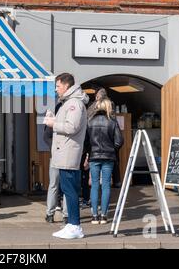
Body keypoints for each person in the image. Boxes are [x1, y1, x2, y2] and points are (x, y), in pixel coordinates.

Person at [44, 73, 88, 239]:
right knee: (68, 189)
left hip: (68, 153)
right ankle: (72, 225)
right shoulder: (69, 102)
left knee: (70, 190)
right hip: (65, 152)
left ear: (67, 86)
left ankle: (75, 226)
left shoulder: (74, 104)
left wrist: (53, 123)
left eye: (58, 86)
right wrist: (55, 119)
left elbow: (72, 127)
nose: (56, 89)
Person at [87, 98, 123, 225]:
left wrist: (88, 152)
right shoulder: (113, 121)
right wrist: (112, 149)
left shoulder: (90, 120)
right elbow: (119, 141)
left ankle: (94, 216)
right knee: (106, 185)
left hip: (93, 156)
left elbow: (86, 141)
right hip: (109, 157)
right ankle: (104, 215)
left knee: (95, 185)